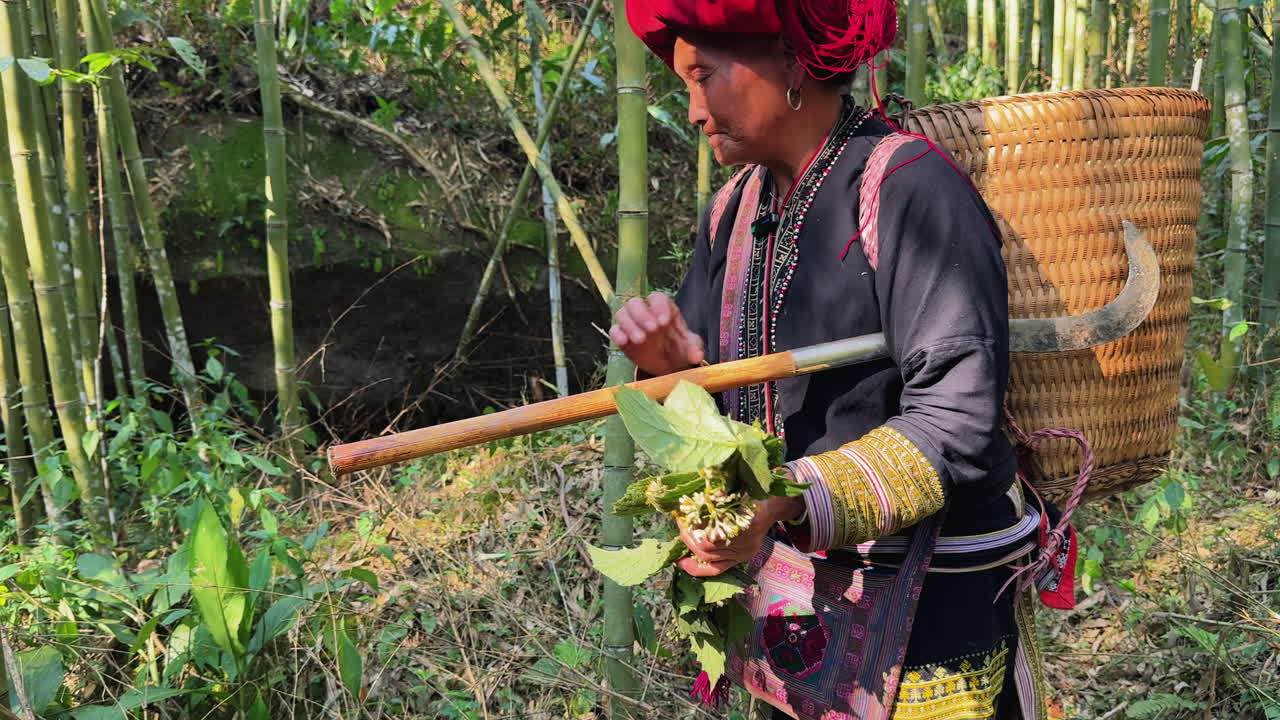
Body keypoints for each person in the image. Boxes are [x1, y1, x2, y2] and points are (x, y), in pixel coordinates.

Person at [610, 1, 1068, 718]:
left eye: (704, 76)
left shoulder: (911, 187)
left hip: (928, 607)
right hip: (794, 608)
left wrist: (785, 498)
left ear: (793, 61)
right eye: (683, 85)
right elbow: (716, 415)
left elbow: (956, 423)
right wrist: (671, 371)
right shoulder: (732, 210)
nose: (695, 110)